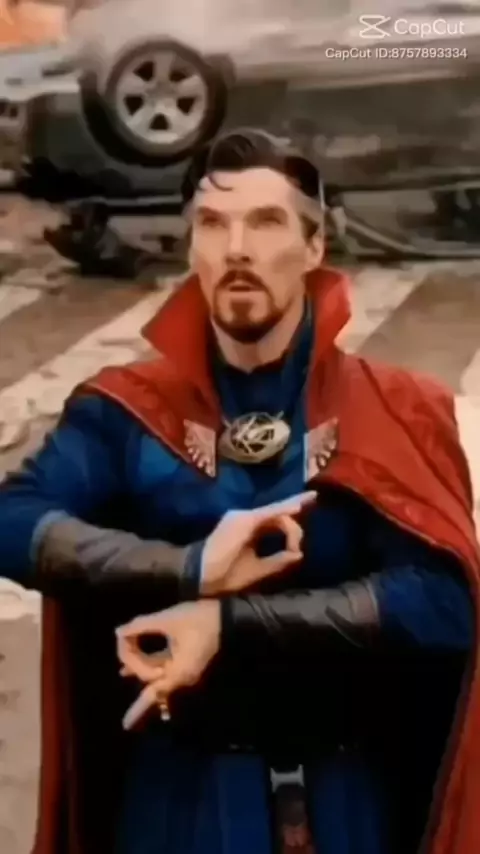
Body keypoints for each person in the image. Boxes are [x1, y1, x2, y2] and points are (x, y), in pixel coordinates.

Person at [0, 128, 479, 854]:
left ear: (314, 247)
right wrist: (188, 568)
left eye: (266, 222)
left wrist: (229, 624)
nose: (237, 249)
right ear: (192, 246)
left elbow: (445, 603)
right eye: (213, 224)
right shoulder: (126, 412)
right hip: (176, 799)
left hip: (342, 801)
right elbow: (12, 519)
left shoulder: (396, 409)